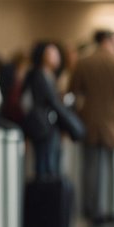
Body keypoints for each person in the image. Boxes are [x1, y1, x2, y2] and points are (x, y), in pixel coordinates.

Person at [69, 30, 114, 219]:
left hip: (90, 121)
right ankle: (113, 208)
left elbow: (73, 90)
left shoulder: (84, 62)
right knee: (113, 167)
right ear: (109, 41)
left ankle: (92, 209)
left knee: (91, 167)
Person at [20, 42, 76, 180]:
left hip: (50, 125)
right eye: (52, 53)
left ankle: (49, 196)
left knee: (50, 164)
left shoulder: (50, 75)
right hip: (43, 126)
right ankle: (44, 198)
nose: (56, 56)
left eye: (57, 53)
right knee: (45, 165)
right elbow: (49, 101)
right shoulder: (38, 75)